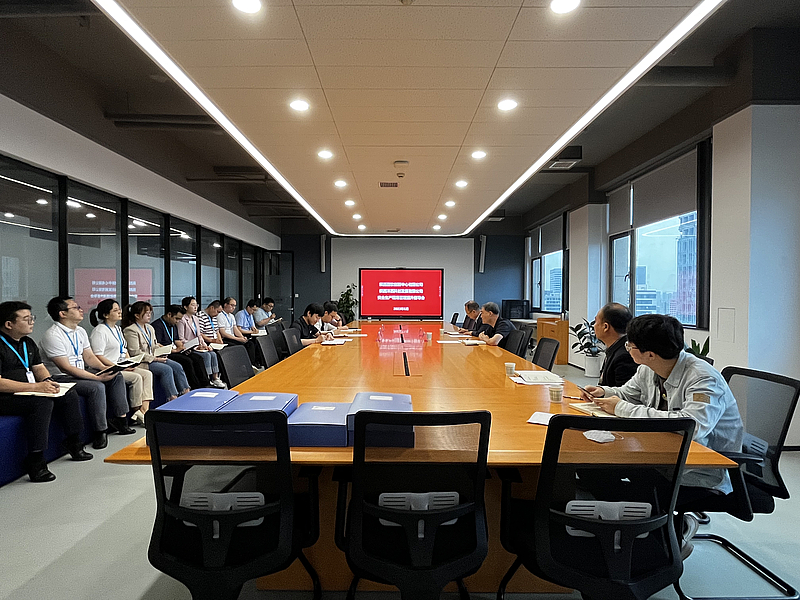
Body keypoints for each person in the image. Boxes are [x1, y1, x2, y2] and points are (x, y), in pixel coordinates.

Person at [581, 314, 744, 496]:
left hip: (697, 471)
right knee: (591, 468)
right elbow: (629, 393)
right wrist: (604, 392)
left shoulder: (704, 379)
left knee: (603, 473)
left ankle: (647, 512)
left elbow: (693, 425)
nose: (627, 349)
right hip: (661, 456)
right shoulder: (649, 368)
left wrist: (621, 408)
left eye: (630, 346)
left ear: (650, 354)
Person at [0, 301, 92, 482]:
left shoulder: (27, 342)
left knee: (67, 393)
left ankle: (74, 442)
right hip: (6, 396)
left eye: (32, 318)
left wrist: (47, 381)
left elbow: (39, 367)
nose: (32, 322)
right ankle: (36, 459)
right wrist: (35, 387)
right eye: (26, 319)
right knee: (41, 402)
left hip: (28, 390)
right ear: (9, 324)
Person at [40, 296, 134, 449]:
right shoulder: (52, 335)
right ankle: (100, 431)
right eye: (75, 307)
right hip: (61, 378)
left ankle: (121, 420)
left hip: (81, 372)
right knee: (96, 387)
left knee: (116, 376)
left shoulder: (80, 331)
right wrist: (96, 378)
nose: (81, 310)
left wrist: (104, 369)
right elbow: (66, 368)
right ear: (62, 313)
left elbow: (89, 357)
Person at [89, 299, 153, 425]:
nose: (119, 312)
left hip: (122, 365)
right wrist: (120, 367)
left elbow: (124, 349)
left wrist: (130, 362)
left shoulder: (117, 329)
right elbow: (97, 355)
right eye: (115, 310)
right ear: (106, 315)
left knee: (147, 374)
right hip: (110, 367)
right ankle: (136, 410)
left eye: (119, 309)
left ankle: (144, 411)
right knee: (136, 377)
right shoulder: (100, 331)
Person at [122, 301, 190, 402]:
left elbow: (154, 345)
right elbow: (135, 353)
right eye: (146, 313)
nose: (149, 315)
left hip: (155, 357)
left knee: (177, 366)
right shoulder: (131, 330)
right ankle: (172, 397)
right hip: (143, 362)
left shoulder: (150, 328)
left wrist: (165, 350)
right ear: (137, 315)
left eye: (150, 312)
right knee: (166, 369)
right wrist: (155, 359)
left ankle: (186, 392)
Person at [152, 305, 210, 389]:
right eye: (176, 319)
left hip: (175, 350)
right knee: (187, 361)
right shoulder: (157, 326)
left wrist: (182, 347)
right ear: (169, 314)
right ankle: (195, 386)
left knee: (197, 358)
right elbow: (157, 344)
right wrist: (173, 350)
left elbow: (176, 340)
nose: (177, 321)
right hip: (166, 352)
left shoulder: (172, 325)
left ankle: (205, 383)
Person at [178, 296, 225, 388]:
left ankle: (215, 378)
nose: (195, 307)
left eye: (196, 305)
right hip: (188, 347)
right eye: (193, 305)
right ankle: (206, 379)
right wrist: (196, 346)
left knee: (212, 353)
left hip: (198, 345)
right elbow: (181, 338)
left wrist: (204, 345)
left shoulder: (195, 318)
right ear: (185, 307)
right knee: (206, 355)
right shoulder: (182, 320)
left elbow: (199, 335)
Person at [593, 302, 638, 387]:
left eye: (596, 322)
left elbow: (625, 392)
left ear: (605, 327)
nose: (594, 326)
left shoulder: (624, 356)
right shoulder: (616, 347)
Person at [217, 297, 259, 367]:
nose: (233, 307)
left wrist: (242, 337)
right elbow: (223, 333)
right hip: (226, 338)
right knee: (240, 346)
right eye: (232, 305)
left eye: (235, 306)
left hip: (233, 337)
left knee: (250, 344)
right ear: (225, 305)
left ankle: (251, 365)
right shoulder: (220, 315)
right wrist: (238, 339)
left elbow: (235, 329)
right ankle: (243, 366)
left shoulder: (231, 316)